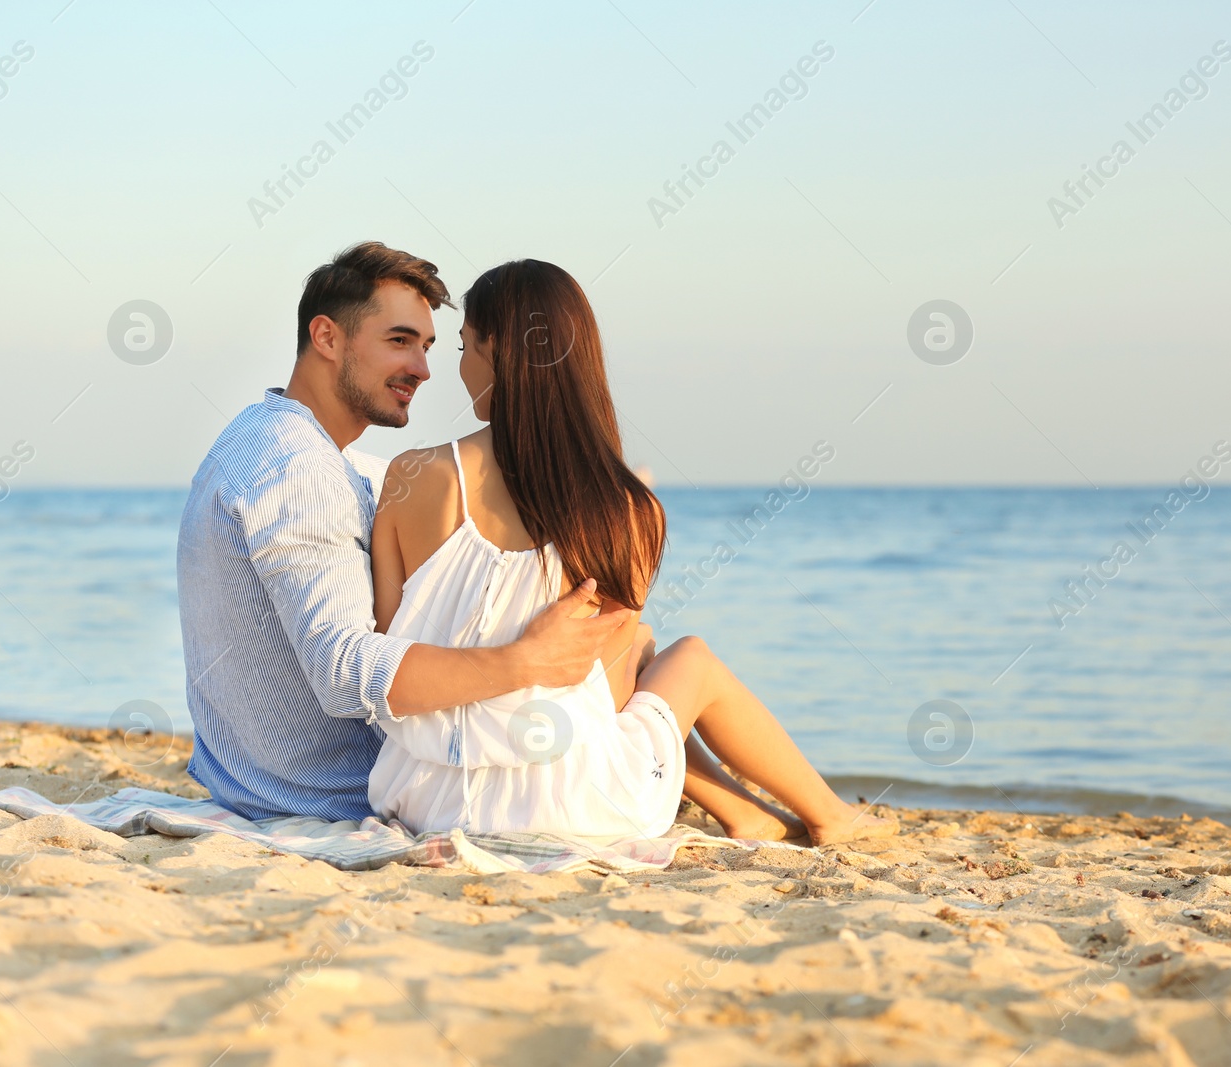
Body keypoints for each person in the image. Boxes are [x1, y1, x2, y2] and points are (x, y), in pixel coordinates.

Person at [367, 259, 893, 846]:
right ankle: (829, 814)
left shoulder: (410, 475)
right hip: (577, 804)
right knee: (688, 659)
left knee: (640, 653)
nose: (457, 369)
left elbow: (394, 655)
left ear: (498, 350)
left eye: (464, 346)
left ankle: (748, 814)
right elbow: (610, 698)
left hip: (427, 796)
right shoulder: (626, 507)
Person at [177, 243, 634, 821]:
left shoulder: (283, 441)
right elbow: (345, 673)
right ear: (327, 338)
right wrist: (526, 660)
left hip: (260, 776)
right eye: (400, 341)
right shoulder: (295, 469)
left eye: (429, 346)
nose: (421, 368)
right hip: (321, 792)